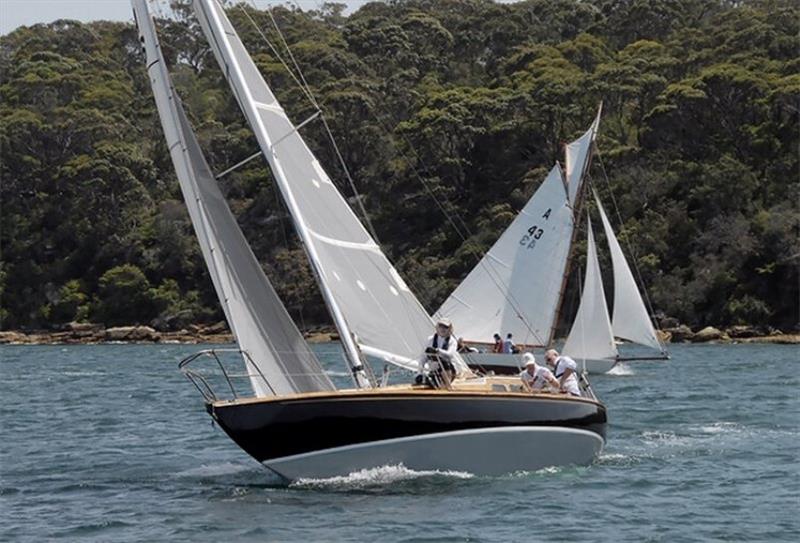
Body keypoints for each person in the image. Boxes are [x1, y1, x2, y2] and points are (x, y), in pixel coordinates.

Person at [416, 318, 458, 387]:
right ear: (437, 327)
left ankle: (447, 386)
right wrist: (419, 373)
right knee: (427, 381)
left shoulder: (452, 341)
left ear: (450, 329)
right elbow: (423, 358)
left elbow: (450, 355)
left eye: (446, 327)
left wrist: (438, 351)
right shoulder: (430, 339)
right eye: (440, 326)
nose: (442, 329)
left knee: (444, 362)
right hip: (435, 371)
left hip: (449, 371)